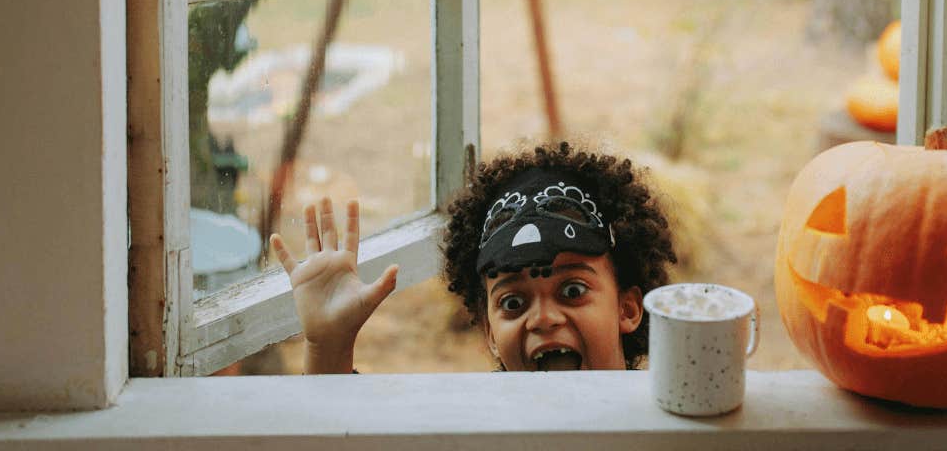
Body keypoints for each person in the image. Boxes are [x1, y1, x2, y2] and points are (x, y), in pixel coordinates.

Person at [270, 141, 678, 374]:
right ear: (489, 333)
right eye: (513, 302)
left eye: (572, 290)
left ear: (627, 309)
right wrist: (329, 347)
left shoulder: (669, 425)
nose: (543, 319)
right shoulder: (474, 429)